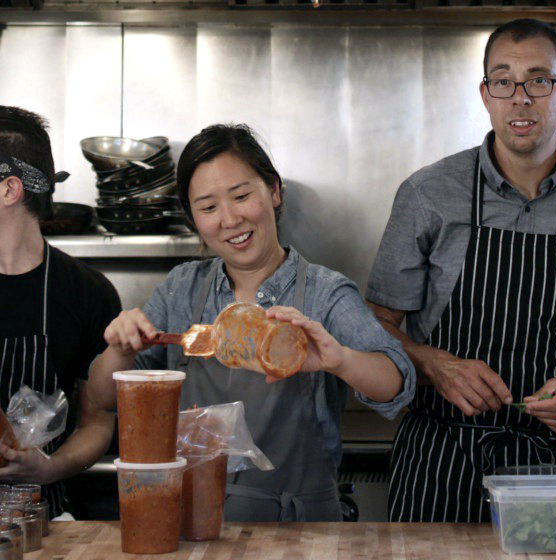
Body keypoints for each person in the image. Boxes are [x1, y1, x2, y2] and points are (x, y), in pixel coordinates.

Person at [367, 19, 556, 522]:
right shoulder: (428, 194)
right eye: (503, 81)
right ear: (485, 94)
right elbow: (374, 323)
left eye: (538, 80)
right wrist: (436, 366)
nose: (520, 98)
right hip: (444, 459)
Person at [90, 124, 415, 521]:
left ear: (274, 192)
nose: (229, 219)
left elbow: (395, 381)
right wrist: (118, 351)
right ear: (193, 218)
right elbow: (105, 398)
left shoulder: (324, 293)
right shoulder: (182, 289)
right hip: (194, 523)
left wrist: (340, 360)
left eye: (241, 196)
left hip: (298, 530)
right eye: (208, 208)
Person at [0, 106, 122, 518]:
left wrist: (49, 468)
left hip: (42, 520)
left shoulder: (88, 293)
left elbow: (97, 420)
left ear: (9, 189)